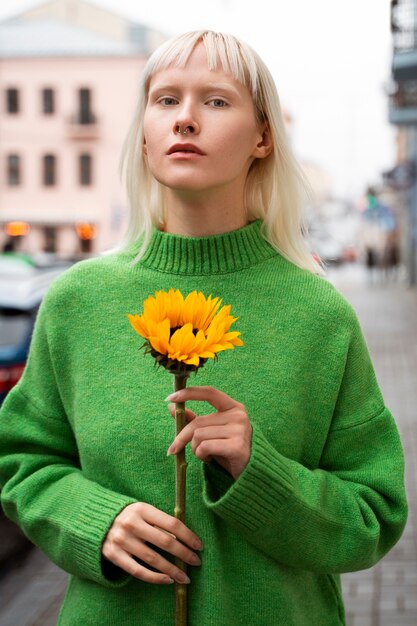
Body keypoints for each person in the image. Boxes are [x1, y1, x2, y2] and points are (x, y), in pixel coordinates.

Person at [0, 31, 407, 626]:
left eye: (215, 101)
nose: (185, 119)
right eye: (165, 101)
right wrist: (92, 519)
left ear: (263, 137)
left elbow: (372, 516)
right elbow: (22, 462)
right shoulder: (75, 303)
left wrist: (259, 471)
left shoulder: (320, 315)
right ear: (143, 132)